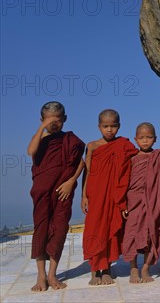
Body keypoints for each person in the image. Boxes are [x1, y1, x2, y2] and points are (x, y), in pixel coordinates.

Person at [27, 102, 85, 292]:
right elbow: (31, 152)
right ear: (42, 120)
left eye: (58, 120)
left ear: (65, 119)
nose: (55, 124)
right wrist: (43, 128)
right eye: (50, 121)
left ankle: (52, 274)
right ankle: (41, 275)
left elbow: (81, 163)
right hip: (42, 192)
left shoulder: (70, 140)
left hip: (63, 192)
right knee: (41, 229)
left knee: (59, 230)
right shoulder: (41, 139)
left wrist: (71, 182)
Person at [82, 109, 137, 286]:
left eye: (113, 126)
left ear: (119, 126)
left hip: (114, 196)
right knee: (94, 230)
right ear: (99, 127)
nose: (109, 130)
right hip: (95, 194)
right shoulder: (92, 146)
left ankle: (106, 269)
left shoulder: (123, 145)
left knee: (110, 231)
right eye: (105, 126)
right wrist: (84, 196)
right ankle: (93, 270)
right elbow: (87, 172)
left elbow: (133, 165)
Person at [122, 122, 160, 283]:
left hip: (153, 201)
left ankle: (145, 269)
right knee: (131, 234)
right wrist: (123, 203)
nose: (145, 141)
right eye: (142, 138)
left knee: (152, 234)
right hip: (134, 201)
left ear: (155, 139)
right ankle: (133, 268)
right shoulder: (131, 158)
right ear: (136, 139)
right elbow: (123, 182)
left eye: (149, 137)